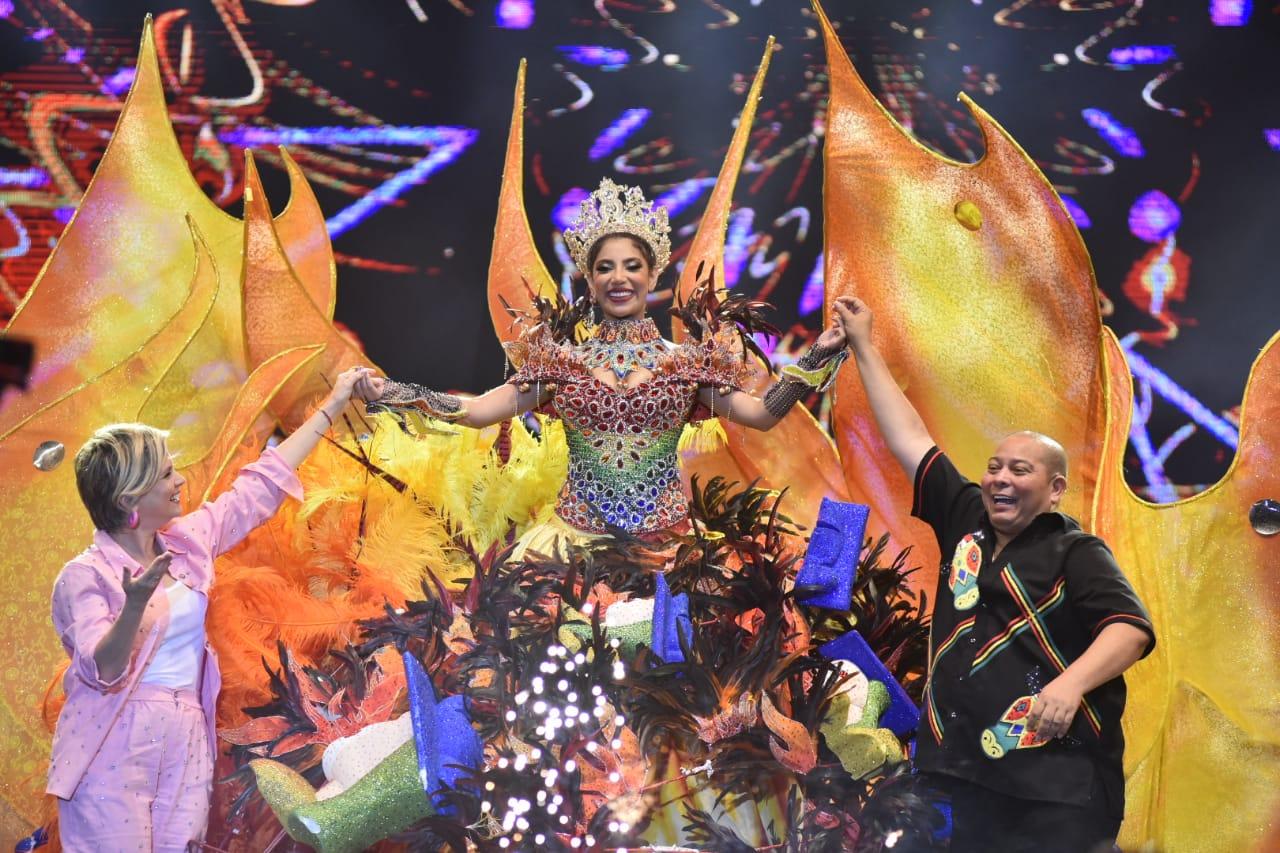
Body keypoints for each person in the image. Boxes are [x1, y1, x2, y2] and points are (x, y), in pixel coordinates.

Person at [363, 178, 849, 549]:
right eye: (605, 267)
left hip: (668, 547)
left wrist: (818, 353)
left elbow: (763, 415)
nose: (619, 278)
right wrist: (393, 391)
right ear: (589, 280)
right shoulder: (559, 365)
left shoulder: (685, 364)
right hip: (571, 548)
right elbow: (474, 412)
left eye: (631, 266)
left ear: (653, 274)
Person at [833, 296, 1155, 853]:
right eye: (994, 466)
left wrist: (1070, 685)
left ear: (1054, 489)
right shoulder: (964, 518)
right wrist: (863, 343)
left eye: (1020, 470)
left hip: (1053, 787)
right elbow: (909, 436)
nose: (1001, 478)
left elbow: (1130, 628)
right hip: (955, 771)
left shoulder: (1075, 550)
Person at [47, 367, 373, 852]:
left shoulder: (186, 543)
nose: (179, 481)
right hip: (115, 742)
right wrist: (134, 606)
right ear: (129, 499)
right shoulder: (85, 576)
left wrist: (334, 403)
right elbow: (102, 670)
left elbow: (258, 488)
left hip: (187, 733)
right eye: (164, 475)